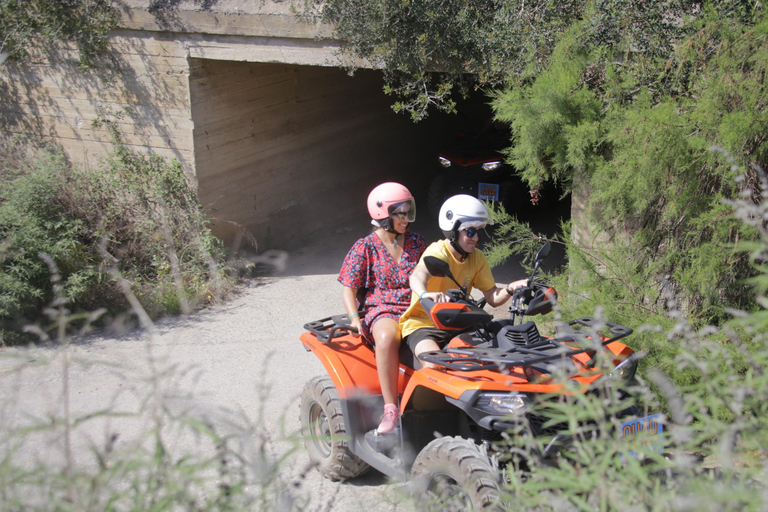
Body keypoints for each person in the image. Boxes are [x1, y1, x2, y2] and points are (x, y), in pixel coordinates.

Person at [338, 182, 426, 434]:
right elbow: (349, 288)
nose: (406, 218)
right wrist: (355, 318)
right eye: (400, 212)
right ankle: (390, 408)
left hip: (415, 306)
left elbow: (431, 274)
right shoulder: (365, 246)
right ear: (382, 214)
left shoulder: (417, 241)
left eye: (409, 211)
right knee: (387, 337)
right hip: (383, 307)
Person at [399, 194, 528, 365]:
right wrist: (424, 294)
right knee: (435, 365)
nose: (476, 238)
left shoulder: (477, 258)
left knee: (491, 361)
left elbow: (492, 297)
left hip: (459, 323)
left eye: (479, 231)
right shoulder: (439, 252)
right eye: (471, 232)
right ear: (453, 229)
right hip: (423, 325)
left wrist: (511, 288)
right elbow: (417, 275)